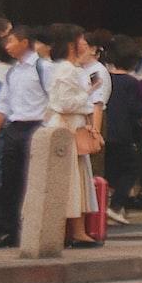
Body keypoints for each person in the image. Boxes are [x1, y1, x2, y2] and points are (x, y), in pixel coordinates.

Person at [0, 26, 50, 248]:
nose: (7, 46)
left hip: (37, 126)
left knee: (32, 180)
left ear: (24, 42)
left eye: (10, 41)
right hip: (15, 127)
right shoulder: (13, 71)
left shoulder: (42, 67)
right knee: (10, 179)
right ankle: (10, 231)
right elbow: (3, 104)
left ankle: (31, 229)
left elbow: (53, 98)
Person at [41, 25, 102, 249]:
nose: (85, 44)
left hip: (70, 127)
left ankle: (74, 231)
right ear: (71, 44)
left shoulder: (69, 69)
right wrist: (87, 97)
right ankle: (77, 232)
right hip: (68, 129)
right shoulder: (67, 70)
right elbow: (65, 103)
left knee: (73, 180)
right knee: (72, 181)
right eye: (81, 40)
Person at [101, 38, 142, 224]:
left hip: (104, 130)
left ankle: (102, 206)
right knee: (131, 169)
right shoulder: (131, 82)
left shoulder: (105, 77)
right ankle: (115, 206)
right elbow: (134, 108)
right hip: (123, 133)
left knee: (107, 170)